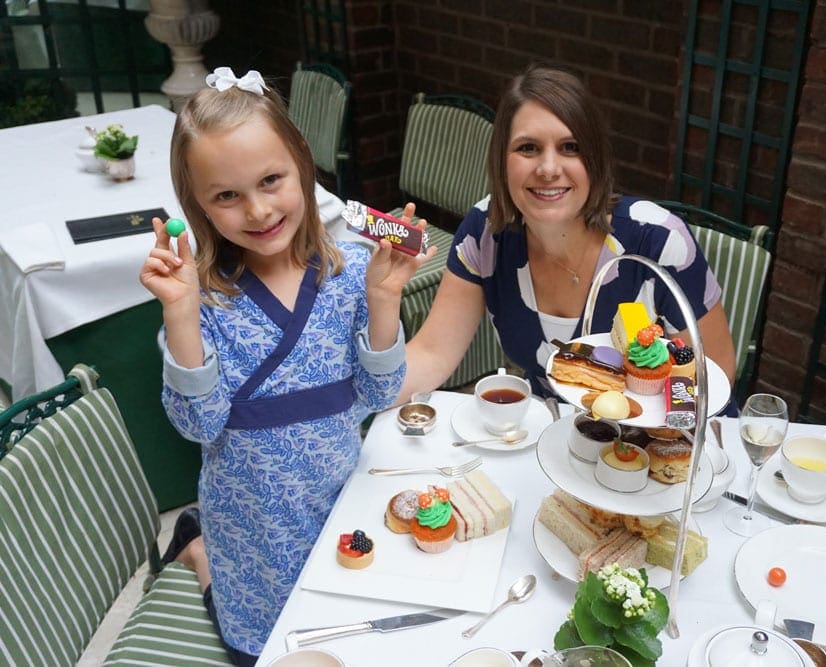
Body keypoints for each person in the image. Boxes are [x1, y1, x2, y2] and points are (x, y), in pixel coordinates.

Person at [139, 67, 430, 663]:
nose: (258, 209)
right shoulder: (203, 298)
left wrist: (383, 298)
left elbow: (380, 394)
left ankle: (197, 543)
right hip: (253, 533)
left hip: (336, 501)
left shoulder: (350, 271)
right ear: (197, 206)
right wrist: (180, 315)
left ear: (303, 166)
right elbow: (198, 425)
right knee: (266, 649)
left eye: (272, 180)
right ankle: (202, 552)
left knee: (354, 637)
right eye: (227, 195)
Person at [398, 63, 736, 403]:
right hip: (555, 438)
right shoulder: (486, 233)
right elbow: (431, 352)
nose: (548, 169)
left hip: (664, 441)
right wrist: (356, 393)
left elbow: (713, 377)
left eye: (570, 147)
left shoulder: (659, 241)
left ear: (596, 159)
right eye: (528, 148)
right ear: (502, 159)